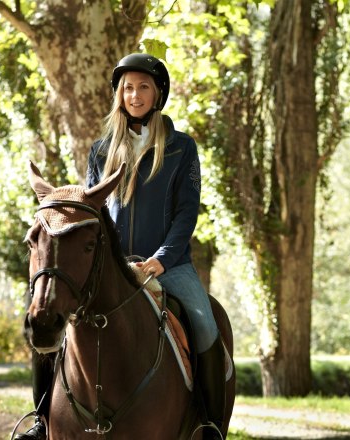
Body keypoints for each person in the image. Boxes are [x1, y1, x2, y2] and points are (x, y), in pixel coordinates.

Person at [14, 53, 226, 440]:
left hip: (169, 265)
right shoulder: (101, 150)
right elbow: (98, 215)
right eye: (128, 88)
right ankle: (41, 422)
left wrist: (161, 260)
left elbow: (186, 213)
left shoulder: (182, 148)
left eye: (143, 87)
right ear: (119, 95)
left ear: (158, 93)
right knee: (50, 320)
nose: (135, 95)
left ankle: (209, 424)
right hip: (112, 266)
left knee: (206, 324)